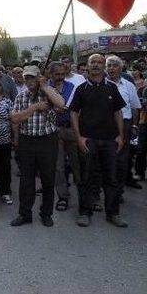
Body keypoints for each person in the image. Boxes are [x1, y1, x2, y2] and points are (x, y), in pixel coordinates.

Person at [70, 54, 127, 228]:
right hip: (88, 140)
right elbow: (73, 113)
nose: (96, 65)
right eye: (92, 62)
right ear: (87, 66)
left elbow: (118, 112)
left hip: (110, 140)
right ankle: (85, 212)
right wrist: (78, 137)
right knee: (86, 178)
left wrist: (120, 136)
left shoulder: (111, 88)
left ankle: (113, 213)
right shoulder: (81, 89)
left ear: (104, 66)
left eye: (99, 62)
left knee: (111, 178)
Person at [10, 66, 64, 227]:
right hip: (27, 140)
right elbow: (15, 119)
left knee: (48, 178)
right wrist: (34, 107)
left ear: (39, 78)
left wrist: (46, 87)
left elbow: (61, 105)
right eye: (26, 78)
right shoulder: (21, 96)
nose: (29, 81)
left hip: (47, 140)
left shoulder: (49, 92)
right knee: (26, 179)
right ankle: (24, 213)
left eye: (32, 77)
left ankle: (46, 213)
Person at [105, 55, 142, 194]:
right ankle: (108, 188)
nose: (111, 68)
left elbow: (135, 107)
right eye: (109, 65)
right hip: (105, 125)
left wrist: (134, 125)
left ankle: (118, 190)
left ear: (121, 68)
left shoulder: (128, 85)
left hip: (125, 125)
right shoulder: (101, 84)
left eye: (115, 65)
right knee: (106, 158)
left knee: (122, 158)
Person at [47, 61, 78, 212]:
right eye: (56, 74)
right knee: (58, 166)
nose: (60, 77)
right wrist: (55, 106)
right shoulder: (45, 87)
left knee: (76, 163)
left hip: (71, 129)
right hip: (53, 130)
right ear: (51, 74)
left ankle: (84, 196)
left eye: (62, 74)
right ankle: (62, 197)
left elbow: (71, 106)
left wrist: (59, 106)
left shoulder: (71, 87)